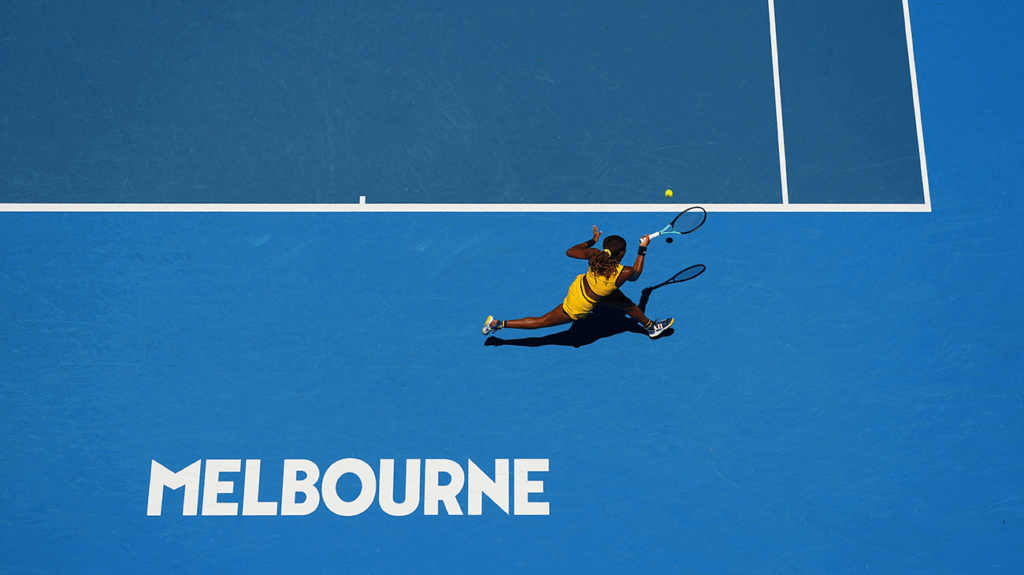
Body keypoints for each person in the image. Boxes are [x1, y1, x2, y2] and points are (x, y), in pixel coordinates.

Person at [482, 226, 673, 339]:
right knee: (542, 322)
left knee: (627, 305)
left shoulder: (594, 254)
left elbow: (570, 251)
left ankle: (650, 327)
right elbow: (637, 274)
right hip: (579, 304)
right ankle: (498, 324)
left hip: (583, 287)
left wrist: (592, 241)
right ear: (622, 253)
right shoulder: (624, 272)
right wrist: (643, 248)